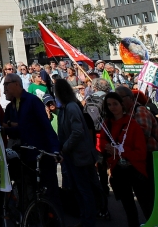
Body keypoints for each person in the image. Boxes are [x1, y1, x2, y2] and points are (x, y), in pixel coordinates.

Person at [98, 92, 151, 227]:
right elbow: (101, 141)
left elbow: (141, 153)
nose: (112, 107)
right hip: (118, 169)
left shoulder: (132, 124)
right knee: (128, 205)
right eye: (109, 105)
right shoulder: (107, 124)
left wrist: (122, 152)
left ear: (122, 104)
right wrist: (107, 147)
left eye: (115, 104)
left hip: (135, 169)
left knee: (145, 203)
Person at [54, 78, 101, 227]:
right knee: (79, 189)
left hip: (79, 155)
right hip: (73, 155)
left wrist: (65, 147)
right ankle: (85, 217)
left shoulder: (71, 107)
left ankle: (89, 220)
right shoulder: (66, 107)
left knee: (84, 189)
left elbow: (77, 131)